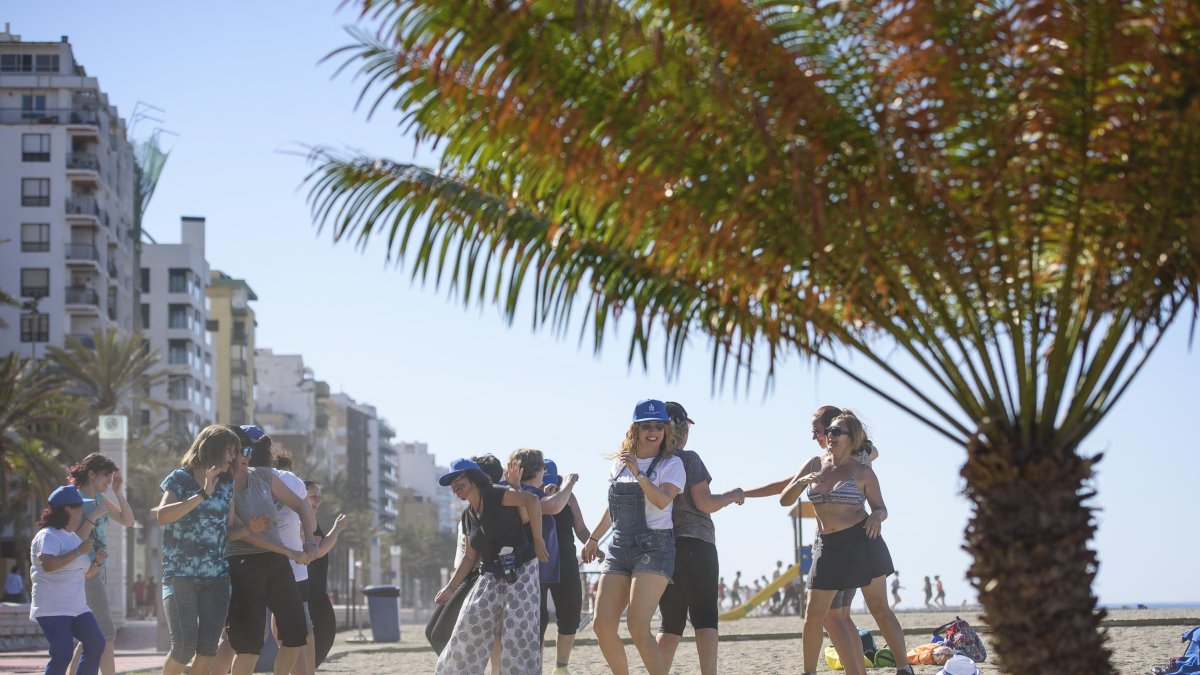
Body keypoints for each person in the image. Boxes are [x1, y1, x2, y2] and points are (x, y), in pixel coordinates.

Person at [777, 411, 913, 675]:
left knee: (879, 608)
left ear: (852, 439)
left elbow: (881, 508)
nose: (830, 436)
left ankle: (904, 668)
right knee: (813, 615)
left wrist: (876, 516)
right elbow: (784, 500)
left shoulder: (863, 472)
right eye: (829, 431)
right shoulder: (814, 464)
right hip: (827, 547)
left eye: (837, 432)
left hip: (861, 542)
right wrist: (801, 483)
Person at [581, 399, 685, 675]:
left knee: (638, 625)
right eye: (646, 426)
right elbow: (613, 507)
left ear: (666, 430)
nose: (653, 432)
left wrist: (638, 473)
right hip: (619, 545)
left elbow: (662, 500)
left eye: (658, 426)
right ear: (635, 429)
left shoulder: (672, 463)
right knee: (602, 625)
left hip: (655, 546)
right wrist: (593, 538)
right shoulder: (619, 463)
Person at [434, 458, 549, 674]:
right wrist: (450, 588)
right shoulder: (468, 515)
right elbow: (469, 558)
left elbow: (532, 500)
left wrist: (538, 539)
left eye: (458, 478)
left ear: (473, 477)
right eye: (451, 482)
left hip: (522, 568)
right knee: (468, 625)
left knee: (517, 630)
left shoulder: (496, 493)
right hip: (490, 573)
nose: (454, 485)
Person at [655, 401, 745, 675]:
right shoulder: (688, 459)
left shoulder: (651, 462)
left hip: (663, 548)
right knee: (705, 619)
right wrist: (731, 496)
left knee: (670, 624)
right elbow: (704, 503)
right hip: (696, 543)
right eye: (685, 427)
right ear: (679, 429)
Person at [221, 425, 318, 675]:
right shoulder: (223, 486)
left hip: (277, 563)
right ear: (228, 453)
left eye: (249, 451)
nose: (246, 456)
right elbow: (245, 535)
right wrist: (290, 552)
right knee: (249, 645)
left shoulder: (262, 476)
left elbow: (301, 504)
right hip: (243, 565)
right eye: (240, 451)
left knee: (296, 634)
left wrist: (309, 541)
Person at [154, 424, 240, 675]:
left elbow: (227, 531)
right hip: (180, 576)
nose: (233, 457)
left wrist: (253, 529)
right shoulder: (180, 478)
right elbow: (163, 516)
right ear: (213, 448)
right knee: (183, 648)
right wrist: (202, 494)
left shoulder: (227, 484)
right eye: (230, 450)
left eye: (235, 452)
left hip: (217, 578)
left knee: (208, 651)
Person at [67, 453, 136, 675]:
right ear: (91, 474)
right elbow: (72, 540)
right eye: (106, 475)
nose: (109, 480)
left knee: (90, 635)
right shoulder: (75, 499)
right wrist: (93, 516)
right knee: (107, 633)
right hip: (84, 572)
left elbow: (128, 521)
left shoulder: (99, 499)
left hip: (98, 569)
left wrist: (118, 492)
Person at [29, 485, 107, 675]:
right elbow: (48, 565)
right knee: (62, 654)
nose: (82, 511)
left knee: (96, 644)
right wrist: (79, 551)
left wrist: (97, 561)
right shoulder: (47, 535)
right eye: (79, 507)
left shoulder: (73, 537)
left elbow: (87, 573)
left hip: (78, 607)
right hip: (53, 607)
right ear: (67, 509)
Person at [540, 458, 593, 674]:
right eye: (544, 482)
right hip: (538, 563)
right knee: (537, 619)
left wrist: (592, 544)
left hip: (566, 562)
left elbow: (581, 529)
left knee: (571, 615)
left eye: (553, 482)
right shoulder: (530, 497)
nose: (549, 486)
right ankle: (534, 668)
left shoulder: (569, 497)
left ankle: (561, 668)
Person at [302, 480, 347, 668]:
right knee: (319, 637)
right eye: (313, 496)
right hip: (307, 591)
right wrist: (337, 528)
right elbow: (317, 552)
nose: (318, 501)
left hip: (315, 590)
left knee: (322, 637)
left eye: (319, 497)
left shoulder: (310, 519)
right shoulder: (302, 519)